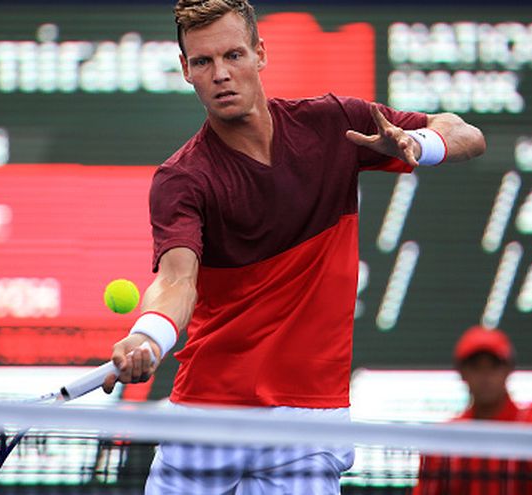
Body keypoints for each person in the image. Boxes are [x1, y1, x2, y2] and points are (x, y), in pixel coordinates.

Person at [102, 0, 486, 492]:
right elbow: (177, 280)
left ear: (260, 54)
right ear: (186, 70)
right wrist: (148, 337)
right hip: (209, 415)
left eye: (233, 55)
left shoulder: (335, 125)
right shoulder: (182, 178)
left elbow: (467, 134)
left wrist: (421, 144)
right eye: (203, 61)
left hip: (309, 420)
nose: (221, 74)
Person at [412, 326, 532, 495]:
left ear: (508, 370)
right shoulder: (443, 443)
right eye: (476, 367)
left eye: (493, 366)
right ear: (462, 373)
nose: (485, 376)